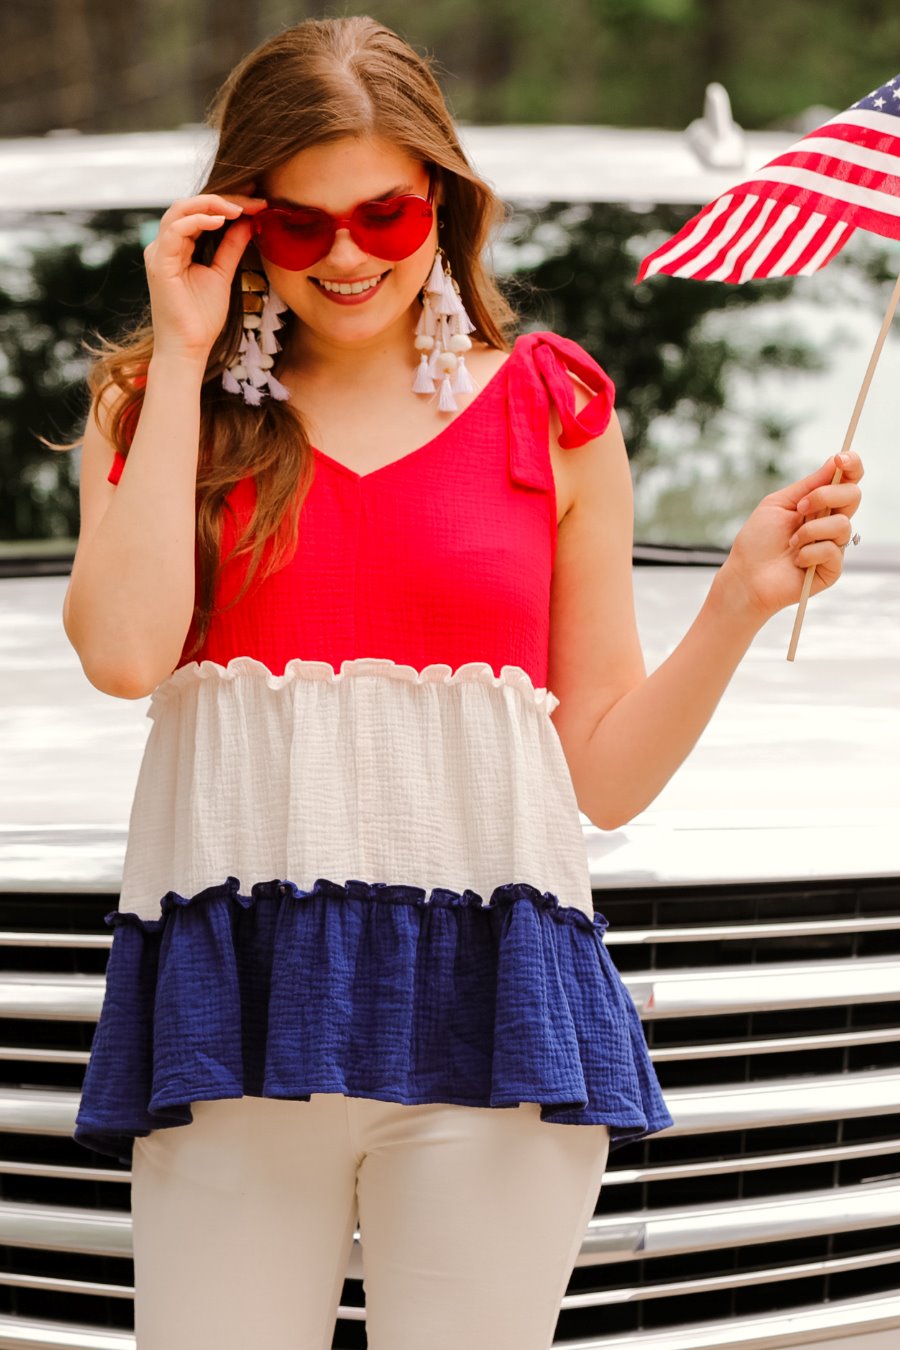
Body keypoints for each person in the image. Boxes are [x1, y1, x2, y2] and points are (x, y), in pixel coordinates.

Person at [60, 14, 864, 1350]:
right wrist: (188, 352)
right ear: (244, 222)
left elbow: (601, 775)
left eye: (383, 212)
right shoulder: (157, 410)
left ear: (441, 197)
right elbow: (125, 654)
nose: (348, 256)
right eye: (302, 224)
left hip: (493, 1014)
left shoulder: (555, 411)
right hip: (238, 1014)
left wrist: (737, 600)